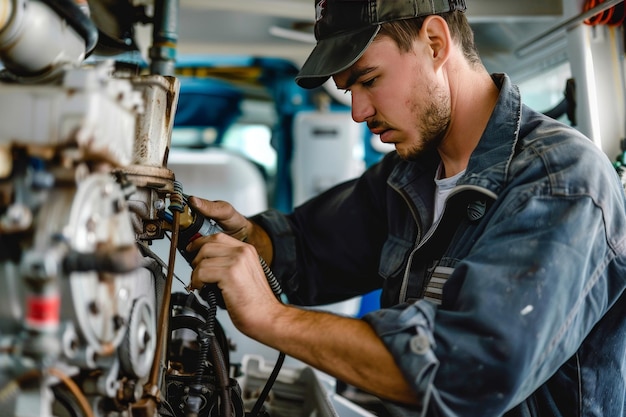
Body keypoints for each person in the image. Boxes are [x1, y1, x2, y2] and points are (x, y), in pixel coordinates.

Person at [184, 0, 626, 415]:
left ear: (435, 42)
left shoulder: (560, 180)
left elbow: (469, 371)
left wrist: (271, 318)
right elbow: (306, 250)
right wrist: (242, 241)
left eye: (369, 79)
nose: (358, 112)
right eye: (348, 89)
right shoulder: (405, 176)